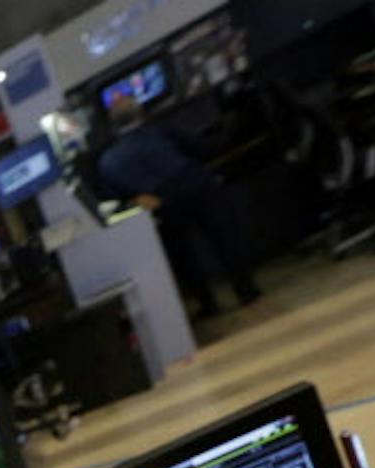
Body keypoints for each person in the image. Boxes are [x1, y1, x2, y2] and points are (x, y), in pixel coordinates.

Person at [96, 95, 260, 317]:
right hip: (194, 185)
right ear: (142, 113)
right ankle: (246, 290)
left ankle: (207, 304)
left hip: (160, 204)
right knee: (223, 239)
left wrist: (138, 196)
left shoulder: (108, 160)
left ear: (111, 125)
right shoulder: (162, 131)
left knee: (183, 255)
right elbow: (202, 150)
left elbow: (113, 196)